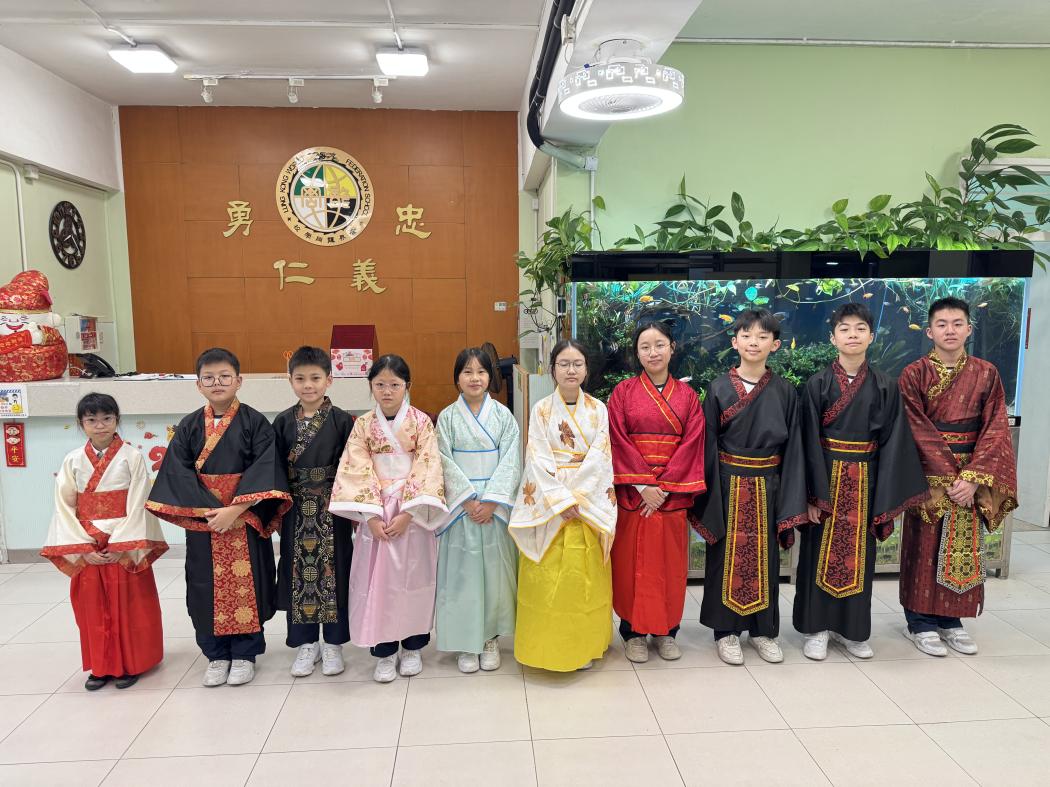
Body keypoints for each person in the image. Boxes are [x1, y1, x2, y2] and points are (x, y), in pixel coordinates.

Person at [147, 348, 291, 687]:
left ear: (239, 381)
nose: (217, 383)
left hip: (244, 517)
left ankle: (244, 653)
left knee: (250, 584)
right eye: (209, 378)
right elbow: (178, 473)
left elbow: (265, 467)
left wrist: (236, 510)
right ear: (198, 385)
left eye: (225, 376)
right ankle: (215, 654)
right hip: (205, 519)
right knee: (203, 585)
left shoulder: (255, 422)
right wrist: (211, 513)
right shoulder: (188, 426)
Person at [793, 303, 927, 660]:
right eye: (845, 329)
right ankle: (816, 629)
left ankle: (852, 631)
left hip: (866, 480)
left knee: (860, 556)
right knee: (817, 553)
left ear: (871, 335)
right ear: (832, 337)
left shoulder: (885, 385)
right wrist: (811, 495)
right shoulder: (817, 384)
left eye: (859, 328)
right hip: (825, 478)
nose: (852, 335)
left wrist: (885, 496)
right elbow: (806, 442)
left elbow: (895, 443)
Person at [897, 297, 1018, 656]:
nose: (949, 330)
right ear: (929, 331)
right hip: (928, 475)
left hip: (971, 474)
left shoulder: (986, 373)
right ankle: (919, 621)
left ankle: (952, 620)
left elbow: (995, 427)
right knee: (924, 546)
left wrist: (974, 478)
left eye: (957, 323)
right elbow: (913, 425)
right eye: (942, 324)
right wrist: (949, 476)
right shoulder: (914, 374)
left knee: (962, 545)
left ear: (969, 328)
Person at [691, 310, 808, 665]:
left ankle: (763, 631)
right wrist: (708, 495)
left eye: (762, 336)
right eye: (746, 335)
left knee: (766, 559)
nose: (754, 342)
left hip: (768, 486)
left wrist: (790, 497)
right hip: (727, 484)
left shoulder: (786, 391)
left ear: (775, 344)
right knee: (724, 556)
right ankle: (725, 632)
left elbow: (794, 448)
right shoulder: (718, 388)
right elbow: (707, 445)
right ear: (734, 342)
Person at [329, 354, 447, 682]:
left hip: (411, 512)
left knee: (415, 580)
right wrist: (370, 517)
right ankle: (384, 651)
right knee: (376, 583)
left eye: (394, 384)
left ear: (407, 386)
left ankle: (412, 647)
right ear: (371, 387)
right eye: (380, 384)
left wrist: (409, 512)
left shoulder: (421, 422)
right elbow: (356, 469)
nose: (387, 391)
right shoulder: (364, 425)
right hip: (377, 511)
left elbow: (428, 466)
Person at [42, 393, 167, 690]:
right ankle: (101, 665)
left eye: (107, 419)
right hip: (87, 540)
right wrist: (83, 546)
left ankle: (131, 664)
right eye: (92, 420)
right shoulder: (73, 460)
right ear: (81, 423)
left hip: (122, 541)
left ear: (116, 420)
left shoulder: (131, 457)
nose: (100, 425)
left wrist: (120, 543)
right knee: (92, 607)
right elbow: (64, 505)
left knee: (130, 605)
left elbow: (138, 500)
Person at [509, 339, 617, 672]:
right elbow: (537, 457)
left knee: (583, 579)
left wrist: (577, 498)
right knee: (548, 578)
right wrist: (560, 500)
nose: (571, 370)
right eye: (564, 364)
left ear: (586, 369)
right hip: (551, 501)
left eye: (577, 364)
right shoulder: (541, 409)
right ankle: (546, 646)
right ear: (553, 369)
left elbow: (601, 457)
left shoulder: (598, 409)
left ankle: (584, 646)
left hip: (587, 500)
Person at [608, 320, 706, 663]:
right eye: (645, 346)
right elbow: (617, 439)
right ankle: (633, 632)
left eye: (659, 344)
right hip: (635, 496)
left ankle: (667, 631)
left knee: (670, 564)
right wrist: (643, 485)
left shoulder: (688, 397)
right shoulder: (622, 393)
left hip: (670, 497)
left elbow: (693, 443)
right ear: (637, 353)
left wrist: (662, 488)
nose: (653, 352)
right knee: (630, 564)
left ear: (672, 348)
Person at [434, 348, 521, 673]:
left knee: (494, 577)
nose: (474, 378)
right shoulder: (447, 418)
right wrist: (468, 500)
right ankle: (465, 642)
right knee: (462, 577)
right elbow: (442, 460)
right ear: (457, 377)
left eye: (481, 372)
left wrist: (493, 501)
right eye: (467, 372)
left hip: (494, 508)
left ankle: (490, 639)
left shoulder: (503, 416)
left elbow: (511, 460)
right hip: (462, 508)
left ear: (490, 377)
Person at [272, 347, 355, 678]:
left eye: (315, 378)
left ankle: (334, 643)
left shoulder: (342, 421)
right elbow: (273, 468)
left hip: (332, 508)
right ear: (290, 380)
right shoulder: (282, 421)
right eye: (301, 378)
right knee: (297, 573)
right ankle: (306, 643)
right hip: (295, 508)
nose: (308, 385)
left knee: (336, 570)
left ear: (329, 380)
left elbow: (353, 467)